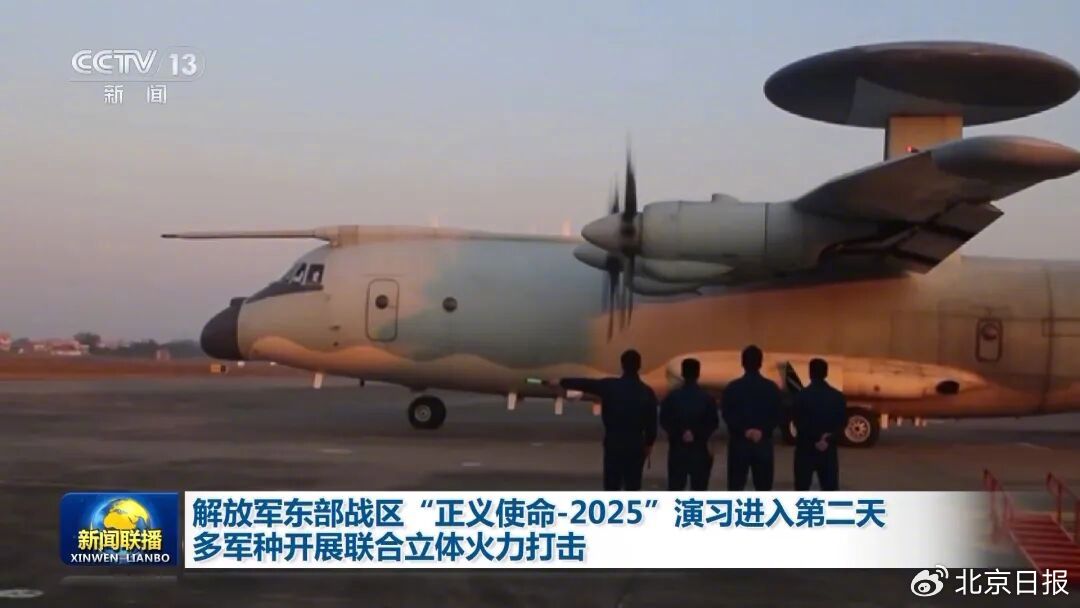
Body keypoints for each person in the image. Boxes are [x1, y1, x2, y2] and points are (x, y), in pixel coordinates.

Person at [560, 349, 658, 490]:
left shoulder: (610, 386)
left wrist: (562, 382)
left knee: (612, 485)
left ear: (622, 365)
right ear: (639, 366)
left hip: (613, 443)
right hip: (635, 445)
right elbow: (652, 423)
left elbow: (586, 384)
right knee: (633, 486)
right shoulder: (647, 392)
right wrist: (648, 444)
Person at [721, 345, 781, 490]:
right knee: (764, 488)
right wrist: (762, 431)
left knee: (736, 487)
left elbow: (727, 414)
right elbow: (777, 415)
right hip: (763, 444)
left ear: (743, 363)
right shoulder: (771, 388)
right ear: (761, 363)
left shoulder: (732, 388)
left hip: (739, 444)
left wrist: (745, 431)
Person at [659, 358, 719, 490]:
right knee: (699, 489)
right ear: (698, 373)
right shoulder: (707, 398)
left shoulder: (672, 397)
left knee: (676, 489)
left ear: (682, 373)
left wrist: (680, 433)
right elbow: (713, 423)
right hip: (700, 450)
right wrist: (696, 434)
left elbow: (664, 420)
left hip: (677, 449)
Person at [792, 358, 847, 491]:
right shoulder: (837, 397)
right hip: (828, 450)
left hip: (805, 449)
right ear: (826, 373)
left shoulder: (801, 396)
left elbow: (798, 422)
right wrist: (827, 439)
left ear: (810, 373)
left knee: (802, 489)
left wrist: (815, 438)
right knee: (830, 489)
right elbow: (842, 423)